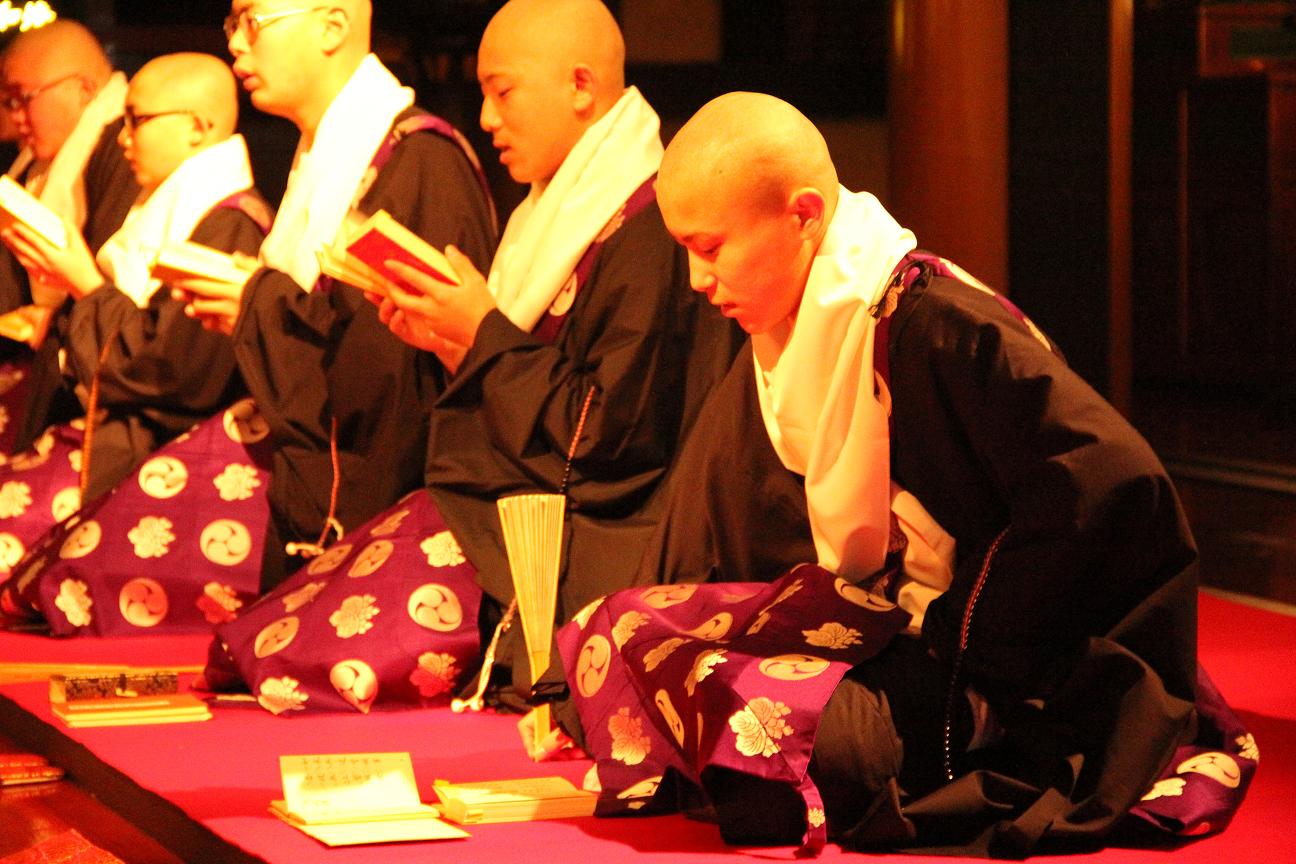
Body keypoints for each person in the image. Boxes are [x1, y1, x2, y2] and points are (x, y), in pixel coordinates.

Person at [554, 92, 1244, 857]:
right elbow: (709, 511)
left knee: (806, 745)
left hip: (982, 661)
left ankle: (968, 731)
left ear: (804, 215)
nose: (695, 278)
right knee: (625, 632)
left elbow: (1111, 478)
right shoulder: (782, 335)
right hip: (875, 623)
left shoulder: (936, 323)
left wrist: (965, 635)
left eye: (710, 248)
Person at [199, 0, 743, 721]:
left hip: (582, 545)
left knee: (298, 655)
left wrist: (481, 335)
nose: (486, 119)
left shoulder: (647, 229)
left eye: (502, 91)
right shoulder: (551, 213)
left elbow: (609, 441)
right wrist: (452, 340)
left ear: (580, 87)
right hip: (488, 514)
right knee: (265, 640)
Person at [175, 0, 497, 590]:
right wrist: (252, 305)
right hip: (312, 496)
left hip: (384, 531)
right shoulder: (320, 155)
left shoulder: (419, 160)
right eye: (231, 24)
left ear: (332, 26)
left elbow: (388, 380)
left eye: (252, 21)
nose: (236, 44)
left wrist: (256, 305)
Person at [1, 53, 270, 501]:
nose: (123, 137)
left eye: (136, 120)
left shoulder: (230, 225)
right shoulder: (161, 206)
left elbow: (173, 371)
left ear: (197, 127)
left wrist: (85, 283)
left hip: (166, 468)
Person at [0, 19, 139, 452]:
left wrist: (54, 319)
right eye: (8, 101)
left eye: (24, 98)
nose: (15, 116)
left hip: (105, 388)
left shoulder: (120, 148)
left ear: (84, 89)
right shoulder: (35, 163)